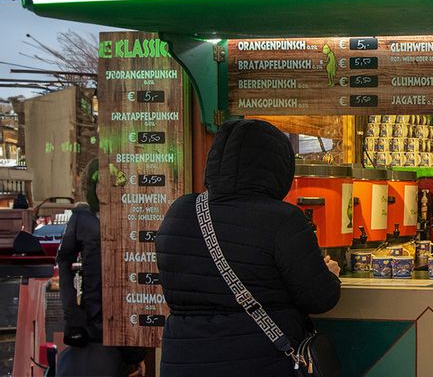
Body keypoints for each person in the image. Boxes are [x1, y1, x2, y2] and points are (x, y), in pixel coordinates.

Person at [155, 119, 341, 376]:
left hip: (184, 362)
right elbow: (320, 298)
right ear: (277, 166)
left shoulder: (181, 210)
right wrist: (329, 273)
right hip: (258, 361)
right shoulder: (283, 219)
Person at [56, 159, 146, 377]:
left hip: (118, 323)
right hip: (98, 325)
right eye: (101, 183)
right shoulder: (85, 218)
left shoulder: (124, 216)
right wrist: (72, 311)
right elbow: (64, 261)